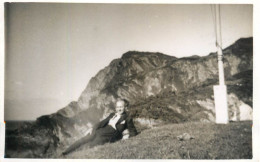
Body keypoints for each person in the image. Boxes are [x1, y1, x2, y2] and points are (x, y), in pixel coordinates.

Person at [62, 98, 137, 155]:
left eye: (121, 107)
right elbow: (102, 122)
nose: (119, 109)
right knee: (82, 140)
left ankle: (73, 156)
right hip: (99, 131)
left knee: (88, 146)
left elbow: (133, 132)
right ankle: (65, 153)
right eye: (117, 107)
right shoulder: (112, 115)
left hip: (106, 136)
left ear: (125, 107)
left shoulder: (127, 118)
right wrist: (92, 128)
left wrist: (125, 137)